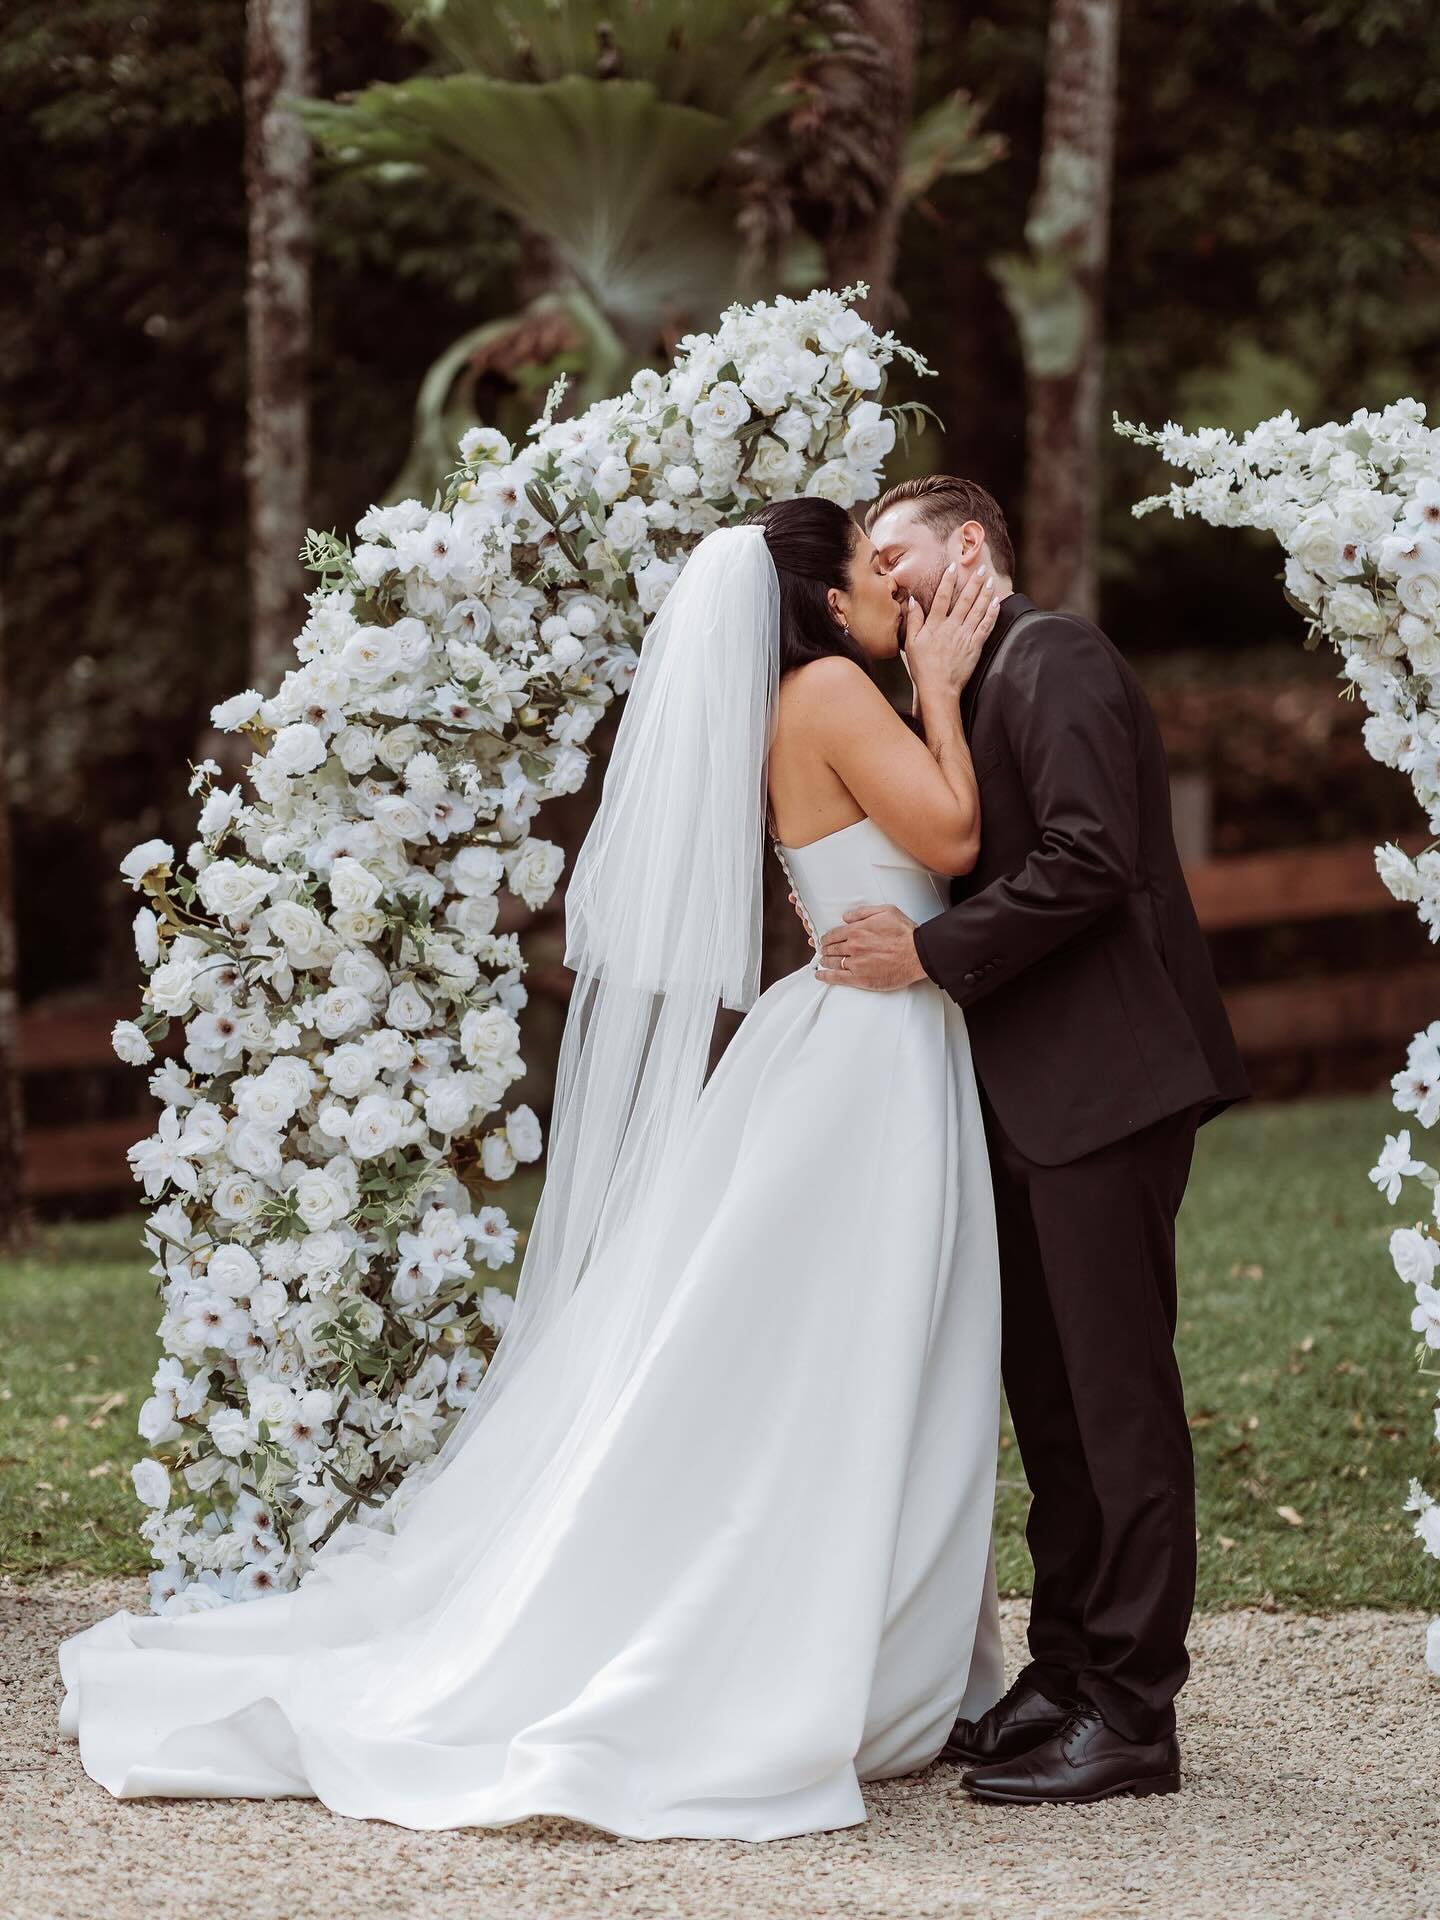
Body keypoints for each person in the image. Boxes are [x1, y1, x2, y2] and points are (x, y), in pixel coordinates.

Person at [57, 503, 1011, 1843]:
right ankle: (847, 1641)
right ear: (819, 602)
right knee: (856, 1352)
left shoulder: (798, 696)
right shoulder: (840, 688)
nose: (890, 596)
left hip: (865, 1036)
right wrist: (949, 693)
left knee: (842, 1352)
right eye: (868, 572)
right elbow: (954, 841)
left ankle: (884, 1631)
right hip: (875, 1056)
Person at [808, 475, 1250, 1807]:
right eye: (868, 565)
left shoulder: (1051, 655)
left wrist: (930, 953)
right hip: (1024, 1092)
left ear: (976, 547)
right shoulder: (956, 687)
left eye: (901, 554)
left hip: (1106, 1081)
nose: (885, 583)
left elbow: (1091, 855)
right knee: (1050, 1409)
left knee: (1114, 1402)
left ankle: (1132, 1712)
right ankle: (1065, 1673)